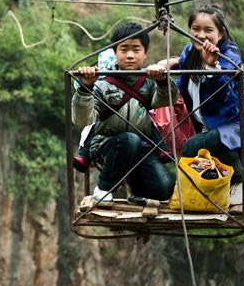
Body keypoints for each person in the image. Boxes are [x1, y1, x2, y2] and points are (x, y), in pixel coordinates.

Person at [72, 22, 178, 204]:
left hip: (141, 149)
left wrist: (162, 81)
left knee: (165, 188)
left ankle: (137, 191)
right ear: (115, 53)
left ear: (145, 53)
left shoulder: (149, 83)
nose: (130, 55)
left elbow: (167, 99)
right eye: (124, 49)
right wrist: (85, 87)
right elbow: (83, 119)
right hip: (107, 146)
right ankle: (104, 188)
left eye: (136, 49)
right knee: (129, 140)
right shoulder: (102, 85)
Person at [160, 5, 244, 183]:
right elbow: (183, 74)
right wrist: (171, 63)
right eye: (196, 29)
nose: (201, 35)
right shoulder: (190, 52)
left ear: (221, 33)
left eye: (208, 30)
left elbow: (222, 95)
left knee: (199, 145)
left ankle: (239, 182)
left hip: (240, 119)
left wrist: (211, 68)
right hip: (212, 123)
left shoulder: (229, 57)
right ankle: (228, 185)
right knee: (199, 152)